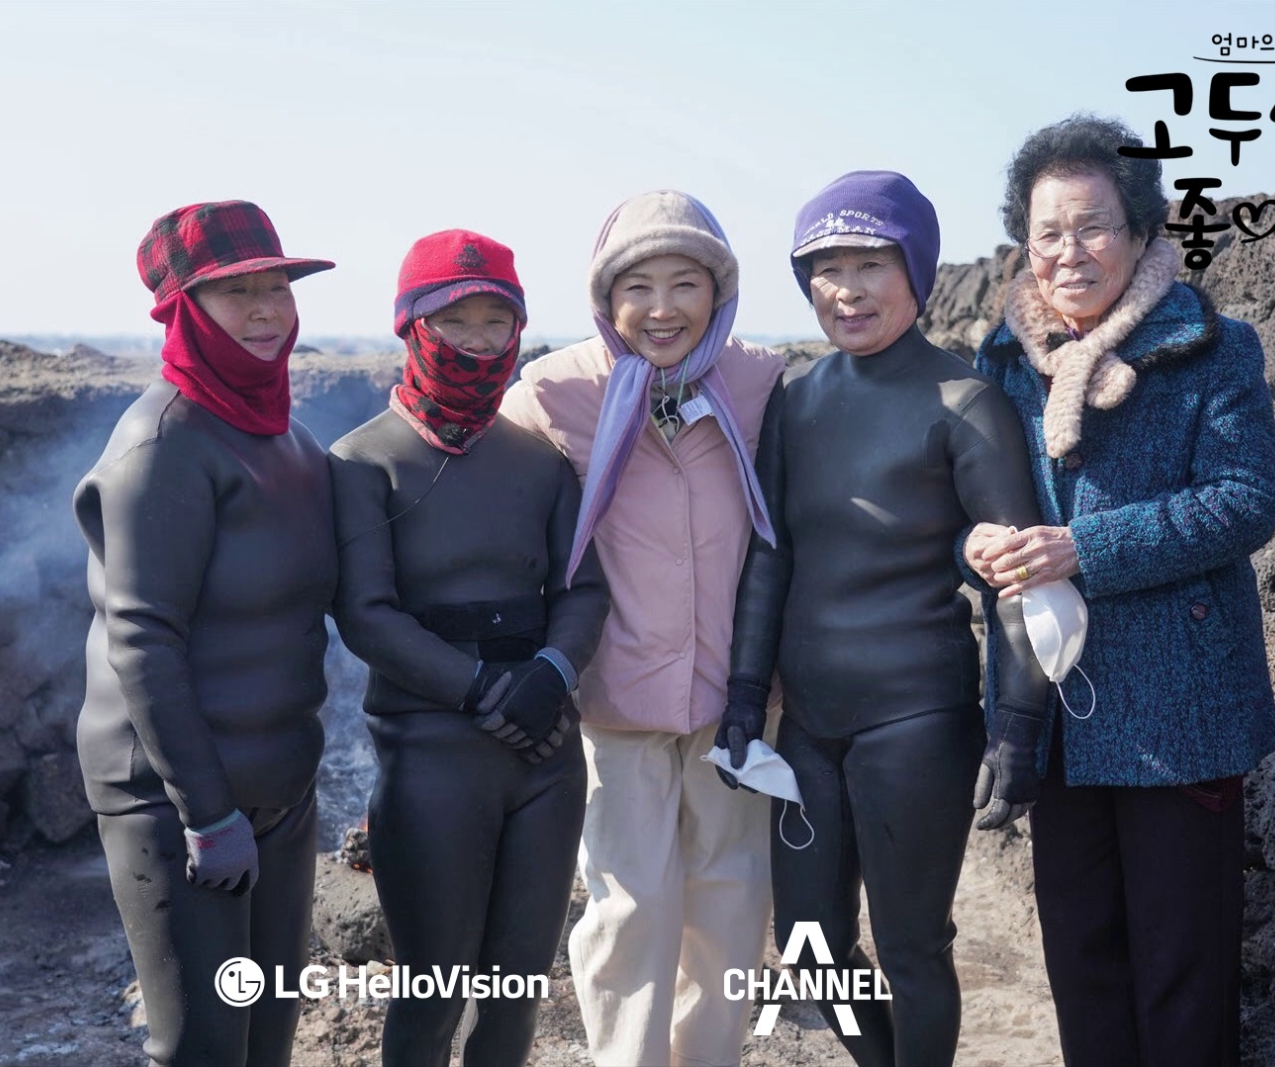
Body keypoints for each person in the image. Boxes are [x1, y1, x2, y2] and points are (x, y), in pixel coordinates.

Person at [961, 115, 1275, 1067]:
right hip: (1058, 702)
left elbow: (1244, 504)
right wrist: (975, 544)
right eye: (1048, 232)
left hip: (1180, 704)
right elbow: (973, 505)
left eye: (1094, 225)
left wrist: (1083, 548)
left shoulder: (1215, 348)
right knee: (1083, 954)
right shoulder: (1003, 362)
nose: (1069, 253)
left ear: (1142, 232)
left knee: (1184, 966)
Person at [725, 171, 1051, 1067]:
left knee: (911, 947)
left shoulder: (965, 402)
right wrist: (747, 691)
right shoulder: (797, 398)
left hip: (916, 715)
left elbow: (1014, 574)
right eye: (825, 268)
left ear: (916, 271)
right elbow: (771, 554)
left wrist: (1018, 726)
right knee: (809, 945)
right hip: (809, 726)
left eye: (871, 263)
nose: (847, 288)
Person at [497, 190, 787, 1067]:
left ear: (719, 290)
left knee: (731, 905)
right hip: (614, 699)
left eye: (686, 283)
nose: (661, 309)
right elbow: (499, 519)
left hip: (735, 701)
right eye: (638, 287)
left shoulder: (757, 379)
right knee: (630, 908)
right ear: (605, 298)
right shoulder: (555, 390)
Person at [328, 229, 611, 1066]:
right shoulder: (360, 463)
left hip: (546, 755)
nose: (482, 341)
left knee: (517, 991)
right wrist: (488, 690)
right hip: (430, 756)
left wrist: (552, 676)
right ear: (413, 324)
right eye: (458, 320)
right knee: (430, 995)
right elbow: (366, 616)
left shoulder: (539, 461)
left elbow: (583, 590)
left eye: (499, 320)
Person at [74, 200, 338, 1067]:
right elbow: (143, 637)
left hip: (277, 791)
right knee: (201, 1045)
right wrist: (207, 813)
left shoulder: (287, 438)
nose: (268, 310)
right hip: (178, 799)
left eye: (277, 289)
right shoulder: (163, 445)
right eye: (238, 294)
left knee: (267, 1036)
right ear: (183, 309)